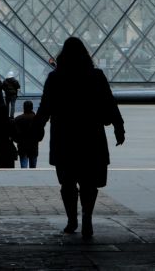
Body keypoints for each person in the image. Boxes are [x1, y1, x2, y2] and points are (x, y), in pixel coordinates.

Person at [35, 37, 125, 239]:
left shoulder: (55, 78)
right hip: (91, 135)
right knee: (89, 182)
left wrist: (37, 128)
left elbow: (45, 108)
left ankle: (71, 220)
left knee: (67, 182)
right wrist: (119, 126)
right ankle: (87, 218)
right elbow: (110, 103)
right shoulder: (96, 76)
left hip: (64, 137)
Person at [13, 100, 43, 168]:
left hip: (22, 146)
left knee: (24, 167)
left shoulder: (17, 119)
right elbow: (41, 133)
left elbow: (14, 133)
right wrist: (37, 139)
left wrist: (18, 140)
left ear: (24, 108)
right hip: (33, 145)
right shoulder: (37, 119)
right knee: (33, 166)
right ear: (32, 108)